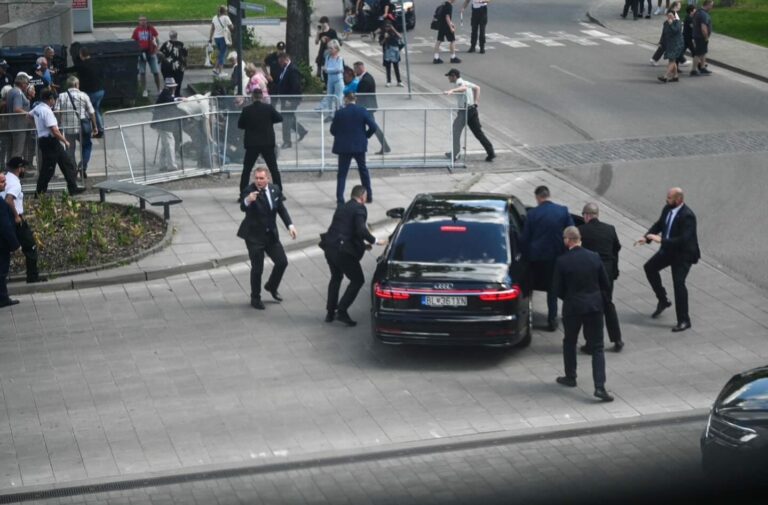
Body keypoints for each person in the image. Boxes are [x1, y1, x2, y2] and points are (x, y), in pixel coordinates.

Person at [553, 226, 614, 403]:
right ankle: (599, 387)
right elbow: (605, 282)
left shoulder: (562, 261)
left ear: (568, 240)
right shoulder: (594, 257)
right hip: (594, 307)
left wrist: (569, 297)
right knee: (597, 347)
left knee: (570, 342)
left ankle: (570, 376)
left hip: (573, 307)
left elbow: (557, 289)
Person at [634, 187, 700, 332]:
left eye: (669, 198)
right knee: (649, 268)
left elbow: (683, 240)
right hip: (669, 250)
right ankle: (663, 300)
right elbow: (659, 224)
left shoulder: (687, 216)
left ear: (678, 200)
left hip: (683, 255)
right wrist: (646, 237)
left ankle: (684, 320)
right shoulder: (667, 209)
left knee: (678, 283)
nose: (666, 199)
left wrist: (661, 240)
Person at [321, 184, 385, 326]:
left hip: (330, 247)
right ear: (362, 197)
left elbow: (344, 229)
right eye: (366, 196)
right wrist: (375, 241)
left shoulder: (342, 207)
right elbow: (361, 230)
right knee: (357, 280)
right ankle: (342, 311)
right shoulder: (359, 209)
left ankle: (330, 312)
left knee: (336, 277)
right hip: (343, 252)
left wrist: (361, 245)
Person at [236, 166, 297, 310]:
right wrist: (248, 200)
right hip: (254, 237)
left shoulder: (275, 189)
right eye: (256, 178)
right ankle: (255, 298)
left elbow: (281, 209)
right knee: (258, 268)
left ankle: (271, 286)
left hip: (270, 234)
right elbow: (243, 207)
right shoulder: (249, 191)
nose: (258, 181)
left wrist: (290, 225)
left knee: (282, 262)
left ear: (267, 179)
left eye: (261, 178)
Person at [521, 185, 574, 332]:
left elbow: (525, 238)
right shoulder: (562, 211)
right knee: (553, 288)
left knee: (531, 285)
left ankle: (527, 316)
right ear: (548, 195)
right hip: (557, 257)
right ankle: (552, 319)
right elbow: (572, 232)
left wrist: (524, 255)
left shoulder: (532, 214)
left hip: (537, 258)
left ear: (538, 197)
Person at [578, 203, 623, 353]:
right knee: (608, 305)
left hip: (591, 274)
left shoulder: (581, 231)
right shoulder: (610, 229)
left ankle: (592, 343)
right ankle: (617, 339)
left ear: (587, 215)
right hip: (607, 273)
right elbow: (616, 249)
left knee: (590, 308)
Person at [29, 89, 82, 195]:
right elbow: (55, 131)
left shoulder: (37, 108)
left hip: (46, 141)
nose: (55, 101)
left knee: (66, 163)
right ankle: (39, 192)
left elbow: (28, 116)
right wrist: (65, 141)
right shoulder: (47, 111)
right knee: (48, 169)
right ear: (50, 99)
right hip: (50, 142)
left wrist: (38, 126)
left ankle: (73, 188)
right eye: (55, 99)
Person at [330, 92, 377, 207]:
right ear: (355, 100)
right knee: (363, 171)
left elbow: (332, 130)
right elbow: (373, 126)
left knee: (342, 174)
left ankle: (340, 200)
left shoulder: (340, 113)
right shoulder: (362, 111)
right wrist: (366, 135)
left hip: (344, 147)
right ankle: (368, 195)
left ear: (346, 100)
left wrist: (340, 135)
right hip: (359, 146)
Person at [2, 157, 44, 284]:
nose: (24, 170)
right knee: (30, 246)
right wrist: (16, 216)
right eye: (23, 167)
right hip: (16, 220)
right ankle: (32, 276)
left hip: (4, 219)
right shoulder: (15, 183)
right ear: (19, 169)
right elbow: (9, 199)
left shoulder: (5, 178)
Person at [237, 87, 283, 198]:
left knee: (247, 170)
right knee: (273, 169)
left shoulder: (247, 110)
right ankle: (279, 193)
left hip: (252, 143)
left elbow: (240, 125)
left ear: (252, 97)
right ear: (262, 97)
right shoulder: (268, 108)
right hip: (267, 142)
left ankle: (243, 193)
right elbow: (279, 118)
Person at [443, 68, 494, 162]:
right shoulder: (464, 81)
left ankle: (455, 154)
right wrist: (476, 102)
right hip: (472, 110)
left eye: (449, 76)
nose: (448, 78)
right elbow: (477, 88)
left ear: (454, 76)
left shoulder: (459, 83)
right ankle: (491, 152)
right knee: (478, 133)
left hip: (464, 111)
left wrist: (452, 91)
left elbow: (463, 88)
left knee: (455, 130)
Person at [54, 76, 97, 178]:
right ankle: (82, 166)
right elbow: (91, 112)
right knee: (86, 145)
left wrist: (59, 122)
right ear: (77, 85)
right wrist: (95, 126)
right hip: (83, 126)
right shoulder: (84, 95)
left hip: (68, 127)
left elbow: (56, 111)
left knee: (70, 149)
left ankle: (73, 169)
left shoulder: (61, 96)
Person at [61, 47, 106, 138]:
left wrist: (58, 71)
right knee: (96, 109)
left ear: (81, 55)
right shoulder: (97, 62)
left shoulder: (82, 65)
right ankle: (100, 129)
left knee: (87, 110)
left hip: (91, 91)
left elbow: (71, 69)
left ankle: (89, 129)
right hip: (100, 90)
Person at [354, 61, 390, 154]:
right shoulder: (366, 77)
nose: (355, 71)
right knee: (374, 127)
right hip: (368, 107)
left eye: (355, 69)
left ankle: (384, 146)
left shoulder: (366, 80)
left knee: (373, 127)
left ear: (360, 68)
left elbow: (361, 95)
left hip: (367, 108)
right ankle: (385, 146)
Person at [276, 53, 308, 149]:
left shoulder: (293, 70)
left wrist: (290, 99)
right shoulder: (285, 69)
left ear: (285, 59)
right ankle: (301, 131)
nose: (280, 64)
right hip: (284, 99)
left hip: (290, 100)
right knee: (289, 117)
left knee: (286, 119)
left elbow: (295, 86)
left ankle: (287, 141)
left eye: (281, 62)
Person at [0, 173, 21, 308]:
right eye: (2, 182)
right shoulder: (0, 204)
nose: (5, 184)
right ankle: (3, 297)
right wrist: (15, 244)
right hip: (2, 244)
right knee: (2, 270)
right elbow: (5, 225)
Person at [152, 77, 181, 172]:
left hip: (162, 124)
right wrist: (178, 100)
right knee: (170, 143)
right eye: (173, 87)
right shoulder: (165, 94)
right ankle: (171, 165)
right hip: (164, 124)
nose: (175, 88)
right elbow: (170, 101)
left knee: (165, 145)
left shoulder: (166, 94)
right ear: (171, 87)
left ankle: (162, 164)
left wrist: (178, 98)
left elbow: (171, 99)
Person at [132, 15, 162, 97]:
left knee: (156, 72)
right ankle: (144, 90)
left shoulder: (151, 29)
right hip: (141, 54)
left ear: (147, 21)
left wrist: (156, 49)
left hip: (151, 53)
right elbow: (133, 42)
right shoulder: (137, 30)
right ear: (138, 22)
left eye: (144, 20)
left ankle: (159, 89)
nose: (142, 22)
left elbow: (157, 39)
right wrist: (137, 51)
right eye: (140, 20)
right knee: (142, 72)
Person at [5, 72, 32, 160]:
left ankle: (11, 170)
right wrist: (28, 114)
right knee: (18, 150)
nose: (27, 86)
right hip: (19, 125)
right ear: (22, 84)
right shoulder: (18, 93)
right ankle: (15, 171)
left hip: (12, 124)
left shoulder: (11, 91)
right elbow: (17, 108)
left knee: (12, 149)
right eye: (27, 84)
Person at [318, 39, 345, 115]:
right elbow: (326, 68)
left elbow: (339, 69)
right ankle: (330, 113)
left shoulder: (339, 58)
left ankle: (339, 113)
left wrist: (328, 69)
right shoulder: (328, 57)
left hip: (338, 80)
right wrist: (327, 69)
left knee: (338, 98)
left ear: (336, 49)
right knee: (329, 97)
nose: (330, 50)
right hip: (330, 79)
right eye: (329, 48)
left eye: (331, 48)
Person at [159, 31, 187, 99]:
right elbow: (185, 55)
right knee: (178, 82)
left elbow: (160, 53)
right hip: (179, 67)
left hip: (167, 67)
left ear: (169, 36)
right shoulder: (182, 44)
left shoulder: (166, 44)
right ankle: (177, 95)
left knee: (168, 82)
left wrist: (163, 58)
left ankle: (168, 96)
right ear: (177, 36)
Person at [657, 8, 683, 83]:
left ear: (674, 15)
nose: (669, 17)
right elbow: (664, 33)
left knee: (671, 60)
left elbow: (675, 31)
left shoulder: (677, 22)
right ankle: (675, 76)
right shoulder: (665, 23)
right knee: (672, 60)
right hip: (669, 43)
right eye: (668, 15)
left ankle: (665, 76)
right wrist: (661, 42)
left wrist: (671, 23)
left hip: (677, 44)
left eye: (670, 15)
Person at [433, 0, 461, 64]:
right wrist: (451, 27)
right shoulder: (449, 5)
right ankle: (453, 57)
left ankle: (436, 57)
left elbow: (444, 16)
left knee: (439, 41)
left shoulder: (443, 3)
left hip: (441, 25)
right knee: (452, 41)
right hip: (446, 26)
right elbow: (447, 17)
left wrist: (452, 23)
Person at [209, 5, 234, 77]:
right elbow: (231, 27)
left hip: (216, 38)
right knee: (222, 55)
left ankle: (215, 68)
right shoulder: (226, 18)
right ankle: (220, 71)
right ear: (225, 11)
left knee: (220, 53)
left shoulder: (214, 17)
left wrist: (210, 38)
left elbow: (212, 29)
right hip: (223, 38)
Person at [690, 0, 713, 76]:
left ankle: (702, 67)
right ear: (708, 5)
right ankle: (693, 70)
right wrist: (706, 37)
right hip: (701, 37)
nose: (712, 7)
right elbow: (703, 28)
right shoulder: (703, 14)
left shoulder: (698, 12)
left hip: (697, 35)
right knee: (698, 53)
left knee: (703, 52)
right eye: (711, 5)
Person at [379, 22, 404, 87]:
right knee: (388, 67)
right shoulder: (383, 34)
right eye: (386, 27)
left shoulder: (394, 33)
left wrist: (394, 30)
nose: (387, 28)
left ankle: (399, 81)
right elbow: (381, 43)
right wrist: (385, 38)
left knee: (396, 67)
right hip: (387, 51)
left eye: (389, 27)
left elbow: (400, 36)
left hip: (395, 51)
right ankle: (388, 81)